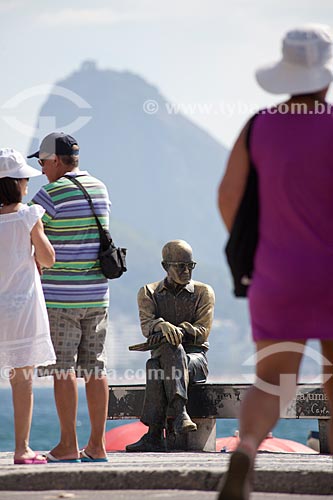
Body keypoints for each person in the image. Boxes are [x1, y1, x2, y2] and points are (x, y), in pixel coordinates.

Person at [217, 24, 333, 499]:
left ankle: (246, 447)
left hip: (277, 274)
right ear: (324, 75)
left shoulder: (259, 124)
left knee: (273, 378)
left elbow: (228, 198)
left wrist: (263, 249)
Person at [27, 133, 111, 463]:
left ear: (57, 161)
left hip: (61, 299)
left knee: (64, 370)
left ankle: (66, 445)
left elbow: (27, 232)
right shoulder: (100, 188)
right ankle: (98, 445)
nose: (41, 168)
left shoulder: (50, 194)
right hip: (98, 295)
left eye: (43, 162)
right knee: (96, 370)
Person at [126, 240, 215, 452]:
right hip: (164, 364)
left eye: (190, 265)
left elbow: (202, 332)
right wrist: (161, 325)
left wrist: (178, 332)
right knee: (156, 366)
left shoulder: (203, 292)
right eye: (180, 266)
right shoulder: (148, 292)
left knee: (170, 351)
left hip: (195, 362)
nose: (186, 271)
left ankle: (155, 433)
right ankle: (177, 415)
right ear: (165, 266)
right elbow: (146, 327)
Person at [0, 148, 56, 465]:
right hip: (22, 308)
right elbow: (48, 257)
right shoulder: (28, 215)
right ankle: (22, 449)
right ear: (17, 182)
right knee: (22, 380)